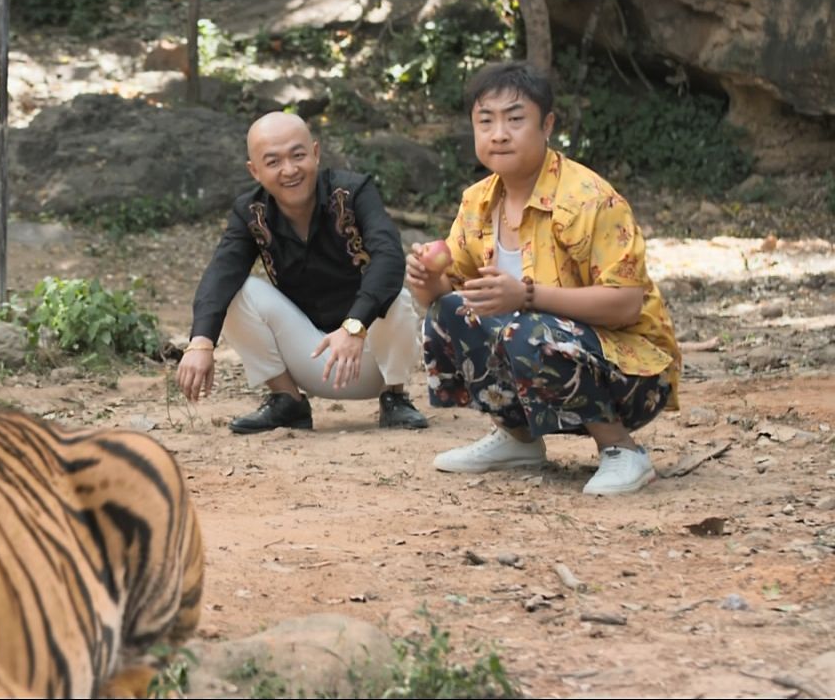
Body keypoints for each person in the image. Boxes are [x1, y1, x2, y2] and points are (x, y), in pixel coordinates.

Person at [404, 61, 680, 496]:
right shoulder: (477, 202)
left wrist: (527, 295)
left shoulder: (589, 199)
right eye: (486, 121)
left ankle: (622, 450)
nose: (499, 133)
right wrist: (425, 279)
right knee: (449, 311)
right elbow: (452, 297)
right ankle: (517, 439)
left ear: (547, 124)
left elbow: (626, 303)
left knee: (528, 329)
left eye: (515, 119)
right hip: (551, 351)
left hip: (634, 373)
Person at [177, 111, 429, 434]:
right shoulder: (250, 212)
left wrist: (355, 326)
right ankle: (287, 400)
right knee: (238, 291)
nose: (290, 170)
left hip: (371, 359)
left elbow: (390, 257)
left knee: (396, 297)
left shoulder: (353, 192)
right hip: (309, 357)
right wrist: (200, 342)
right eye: (273, 162)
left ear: (316, 152)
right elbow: (220, 273)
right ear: (255, 171)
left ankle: (395, 398)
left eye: (298, 155)